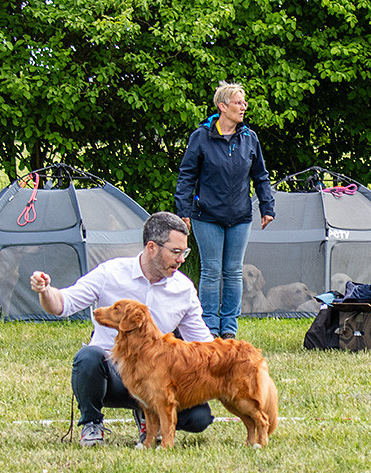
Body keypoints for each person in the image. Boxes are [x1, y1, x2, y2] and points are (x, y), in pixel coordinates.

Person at [30, 212, 215, 447]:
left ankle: (148, 416)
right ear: (152, 247)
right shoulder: (110, 273)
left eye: (184, 253)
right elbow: (63, 304)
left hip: (156, 376)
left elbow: (203, 343)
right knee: (88, 357)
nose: (181, 260)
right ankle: (92, 423)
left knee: (199, 418)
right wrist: (45, 291)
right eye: (176, 252)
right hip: (112, 374)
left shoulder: (184, 289)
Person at [174, 82, 275, 339]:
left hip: (240, 216)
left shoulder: (249, 138)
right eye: (238, 102)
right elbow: (187, 176)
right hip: (206, 216)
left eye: (244, 103)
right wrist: (184, 210)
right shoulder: (201, 137)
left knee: (233, 271)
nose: (244, 107)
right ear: (222, 106)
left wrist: (267, 206)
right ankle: (209, 327)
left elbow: (260, 176)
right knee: (210, 271)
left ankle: (229, 329)